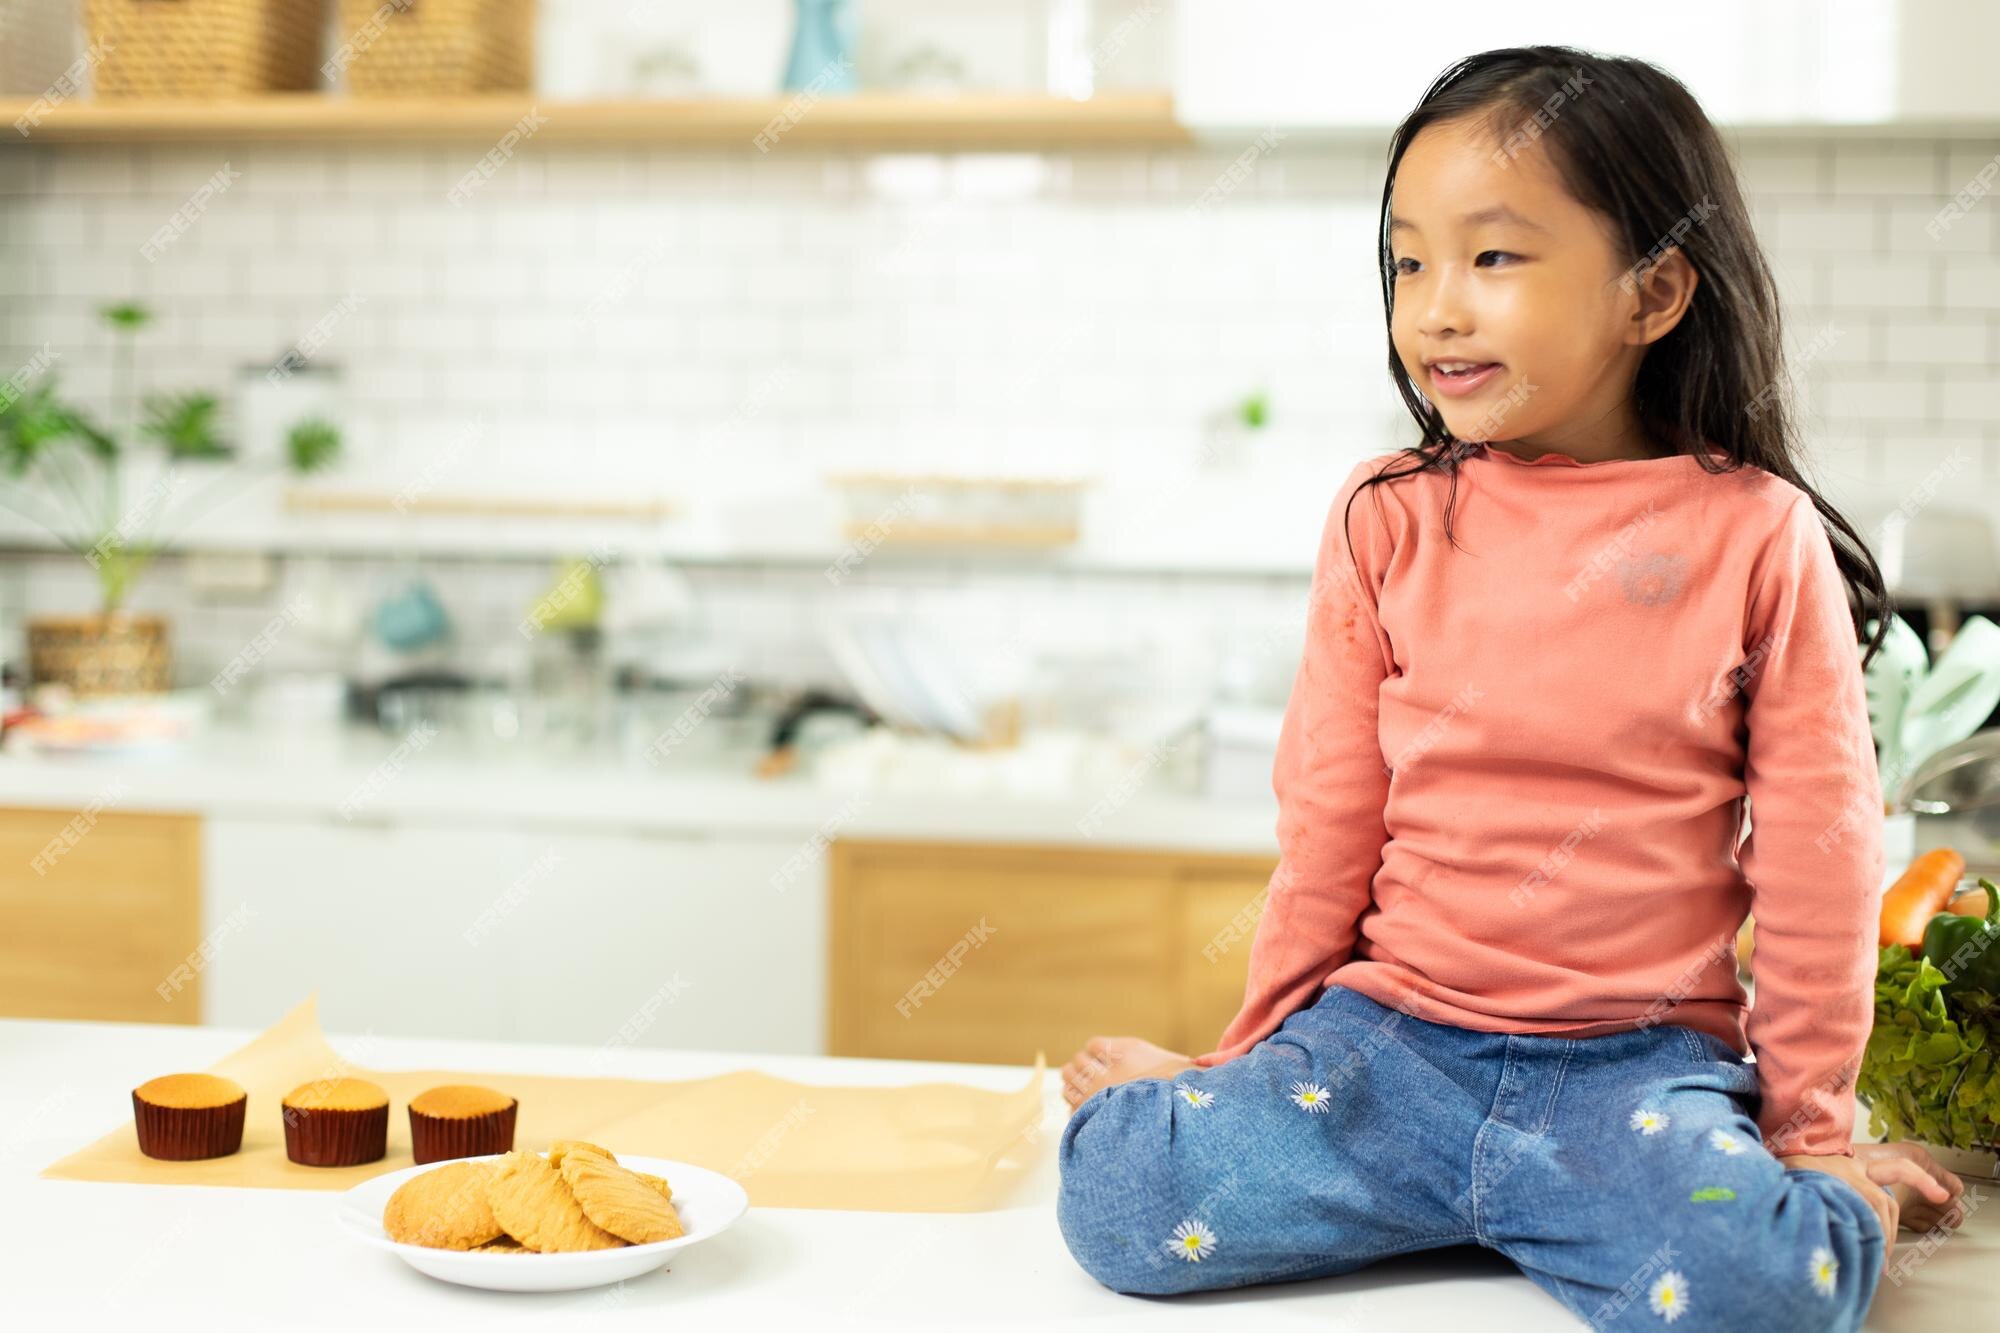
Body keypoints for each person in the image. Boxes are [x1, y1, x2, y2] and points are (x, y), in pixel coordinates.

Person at [1055, 45, 1966, 1331]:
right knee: (1122, 1205)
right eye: (1405, 261)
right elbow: (1326, 827)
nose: (1432, 308)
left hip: (1636, 1073)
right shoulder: (1385, 519)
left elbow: (1818, 859)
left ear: (1651, 293)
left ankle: (1835, 1199)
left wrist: (1810, 1131)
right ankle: (1206, 1105)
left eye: (1491, 258)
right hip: (1389, 1048)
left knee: (1763, 1290)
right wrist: (1243, 1061)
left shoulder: (1756, 536)